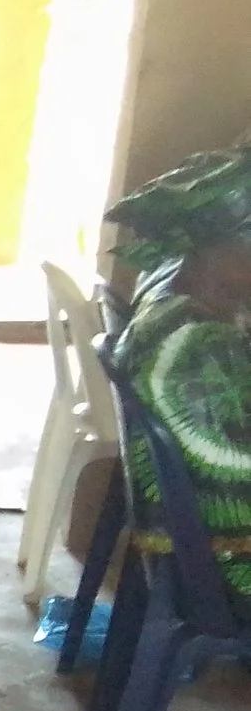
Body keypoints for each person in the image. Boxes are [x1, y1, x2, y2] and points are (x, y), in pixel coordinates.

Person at [102, 146, 251, 612]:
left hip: (185, 544)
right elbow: (234, 466)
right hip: (225, 566)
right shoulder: (196, 347)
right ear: (221, 251)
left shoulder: (174, 298)